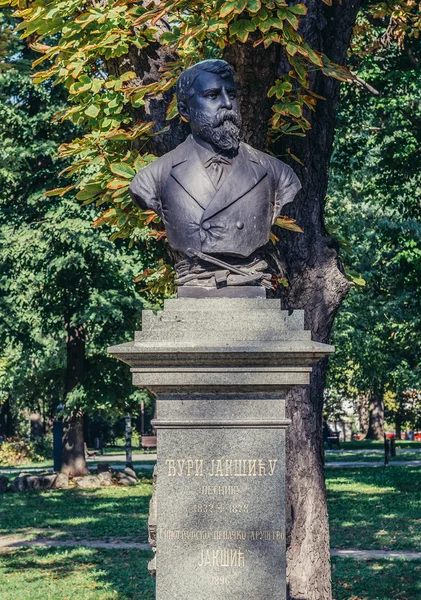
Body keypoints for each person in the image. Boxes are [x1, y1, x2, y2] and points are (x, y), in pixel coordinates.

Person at [129, 59, 301, 291]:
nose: (228, 104)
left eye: (231, 93)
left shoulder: (277, 173)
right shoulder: (153, 178)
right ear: (184, 110)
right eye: (212, 96)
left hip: (249, 285)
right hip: (195, 284)